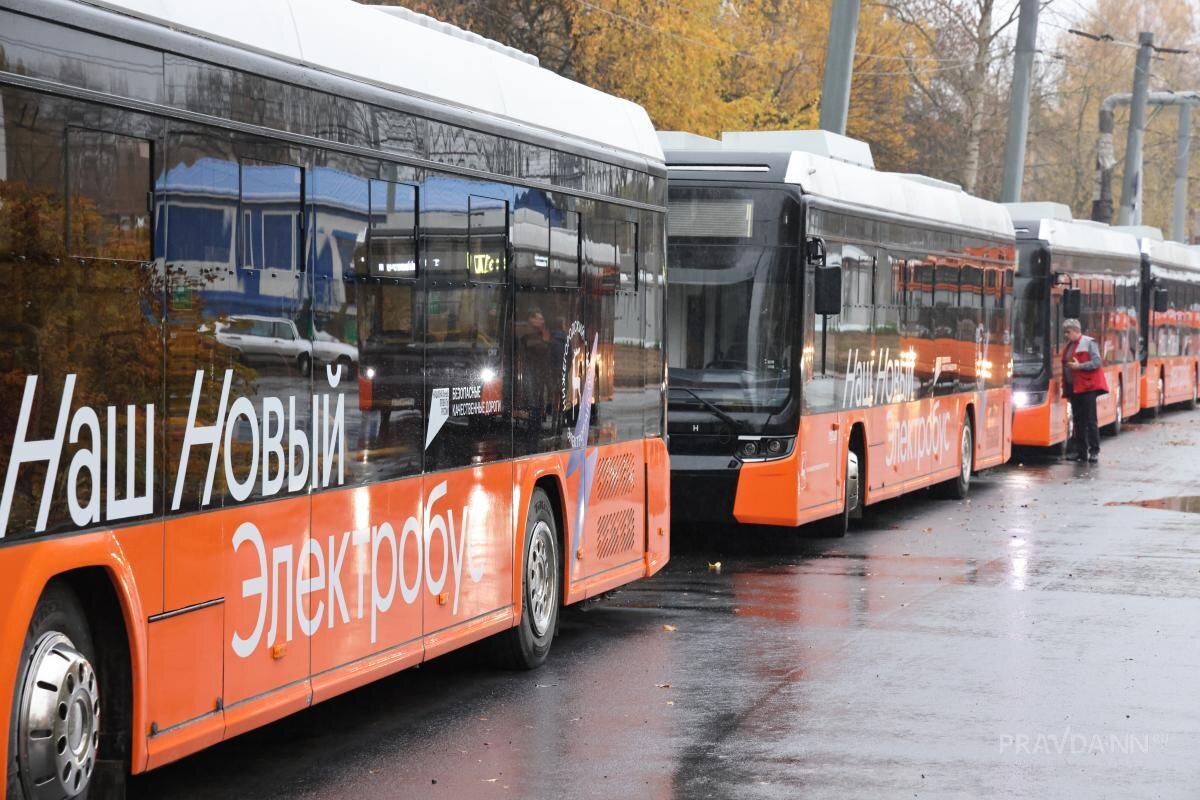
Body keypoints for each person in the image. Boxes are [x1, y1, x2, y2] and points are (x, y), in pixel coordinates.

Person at [1061, 318, 1108, 463]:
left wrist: (1080, 366)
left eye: (1068, 332)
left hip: (1088, 388)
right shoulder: (1069, 345)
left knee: (1090, 420)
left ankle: (1094, 451)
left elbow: (1097, 362)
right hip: (1075, 388)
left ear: (1075, 331)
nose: (1066, 335)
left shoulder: (1089, 342)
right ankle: (1081, 452)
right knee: (1078, 421)